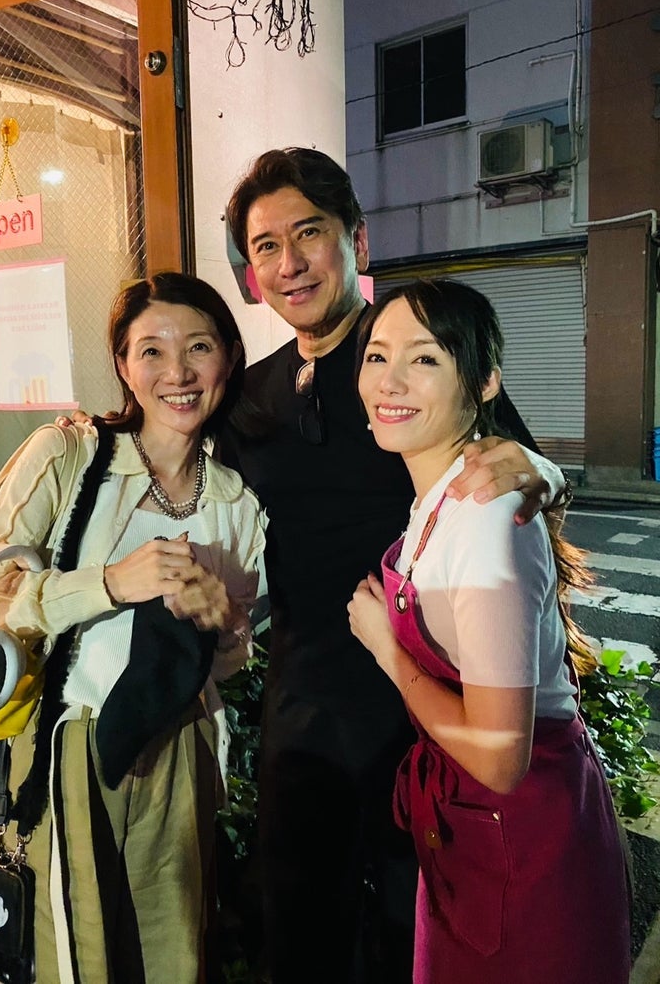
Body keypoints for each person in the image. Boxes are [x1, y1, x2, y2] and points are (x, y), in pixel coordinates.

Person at [221, 148, 568, 983]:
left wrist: (547, 473)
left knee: (417, 938)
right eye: (266, 245)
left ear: (358, 242)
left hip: (427, 711)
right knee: (301, 935)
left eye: (309, 233)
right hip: (305, 707)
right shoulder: (251, 397)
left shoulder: (414, 363)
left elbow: (515, 474)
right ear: (253, 273)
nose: (289, 261)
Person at [0, 272, 266, 983]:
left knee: (173, 954)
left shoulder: (236, 503)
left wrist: (224, 622)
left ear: (229, 357)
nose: (177, 372)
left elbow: (231, 658)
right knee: (74, 957)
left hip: (180, 749)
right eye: (151, 350)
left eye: (199, 347)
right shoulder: (69, 455)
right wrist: (111, 583)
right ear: (122, 363)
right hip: (68, 746)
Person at [348, 278, 630, 983]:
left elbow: (503, 757)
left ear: (484, 383)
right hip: (476, 831)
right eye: (378, 356)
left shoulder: (484, 513)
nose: (390, 380)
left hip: (526, 840)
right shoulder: (441, 494)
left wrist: (389, 652)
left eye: (425, 358)